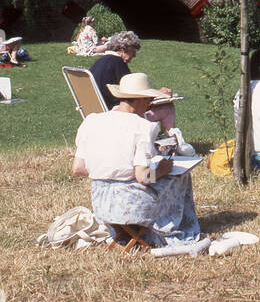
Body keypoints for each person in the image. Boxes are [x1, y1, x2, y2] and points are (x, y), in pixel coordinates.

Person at [71, 72, 200, 247]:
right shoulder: (144, 127)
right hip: (132, 205)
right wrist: (164, 169)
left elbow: (78, 168)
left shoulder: (91, 121)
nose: (149, 106)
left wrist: (110, 171)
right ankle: (166, 228)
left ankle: (125, 232)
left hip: (101, 203)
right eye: (148, 100)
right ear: (140, 100)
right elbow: (143, 177)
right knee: (180, 177)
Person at [89, 31, 180, 132]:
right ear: (123, 50)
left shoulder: (100, 62)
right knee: (167, 108)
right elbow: (133, 96)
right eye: (133, 52)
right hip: (118, 115)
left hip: (99, 113)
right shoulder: (118, 63)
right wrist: (159, 94)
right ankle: (171, 145)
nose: (134, 56)